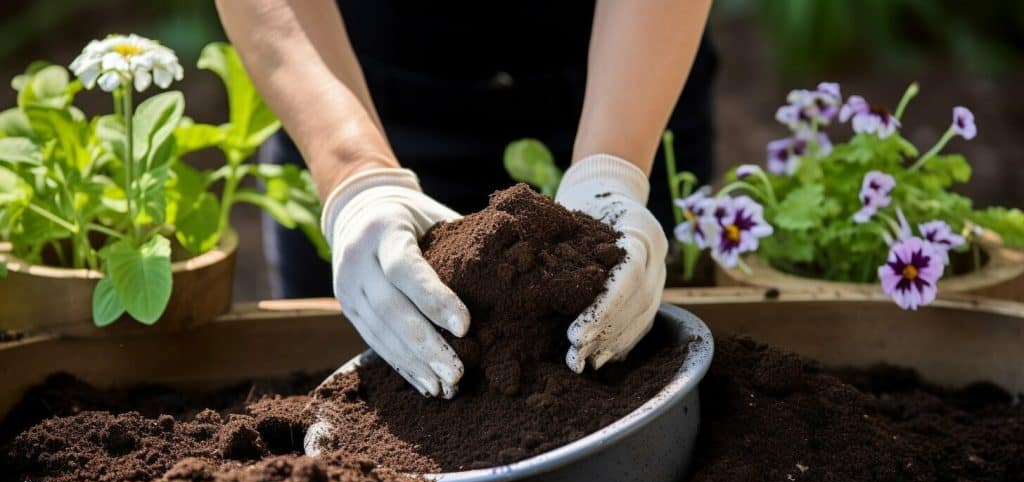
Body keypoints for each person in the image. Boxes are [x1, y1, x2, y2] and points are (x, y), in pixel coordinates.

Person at [215, 0, 715, 399]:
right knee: (367, 367)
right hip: (345, 82)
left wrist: (614, 169)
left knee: (622, 349)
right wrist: (355, 175)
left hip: (626, 70)